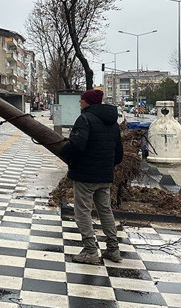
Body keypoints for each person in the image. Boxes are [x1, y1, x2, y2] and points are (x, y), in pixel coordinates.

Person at [59, 89, 124, 264]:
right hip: (104, 175)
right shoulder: (113, 122)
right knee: (105, 211)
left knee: (82, 212)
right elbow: (119, 153)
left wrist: (65, 154)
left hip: (85, 175)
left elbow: (76, 145)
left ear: (88, 102)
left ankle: (90, 251)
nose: (79, 102)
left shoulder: (85, 119)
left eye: (82, 100)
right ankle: (113, 249)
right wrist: (106, 166)